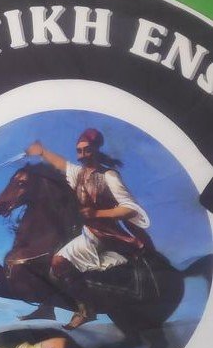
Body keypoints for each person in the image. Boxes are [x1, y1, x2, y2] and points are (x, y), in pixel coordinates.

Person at [26, 128, 152, 330]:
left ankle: (86, 310)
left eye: (87, 150)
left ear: (96, 149)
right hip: (87, 231)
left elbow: (130, 209)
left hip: (105, 235)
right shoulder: (79, 173)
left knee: (58, 261)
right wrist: (42, 151)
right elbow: (61, 164)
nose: (82, 155)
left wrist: (97, 213)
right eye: (79, 151)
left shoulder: (109, 176)